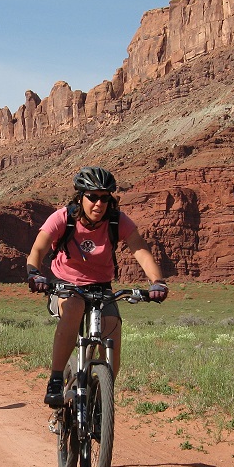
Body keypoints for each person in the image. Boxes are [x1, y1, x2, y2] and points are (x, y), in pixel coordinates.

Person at [25, 166, 168, 406]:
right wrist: (34, 274)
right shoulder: (63, 218)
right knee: (73, 309)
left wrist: (157, 281)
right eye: (92, 197)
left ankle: (103, 395)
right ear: (80, 197)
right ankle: (57, 378)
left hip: (101, 286)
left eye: (104, 198)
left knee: (112, 327)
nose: (99, 204)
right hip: (66, 284)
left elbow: (140, 249)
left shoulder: (117, 220)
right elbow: (38, 250)